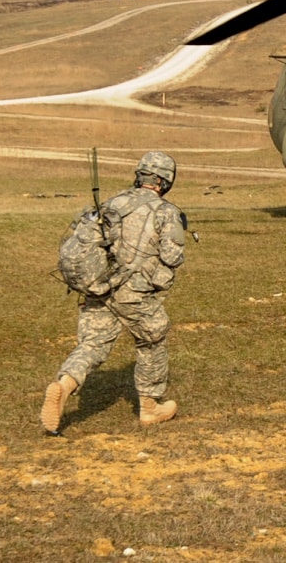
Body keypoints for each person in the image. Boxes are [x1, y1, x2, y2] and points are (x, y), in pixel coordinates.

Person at [40, 151, 188, 434]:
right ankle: (150, 406)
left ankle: (63, 385)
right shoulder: (166, 211)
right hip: (134, 292)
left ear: (139, 175)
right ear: (165, 181)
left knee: (92, 346)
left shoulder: (111, 203)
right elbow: (172, 257)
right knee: (152, 339)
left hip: (99, 286)